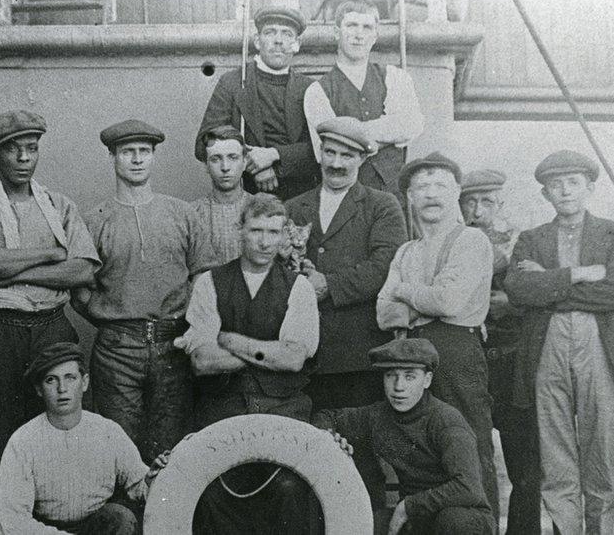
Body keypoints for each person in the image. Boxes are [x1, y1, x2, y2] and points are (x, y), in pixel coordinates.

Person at [0, 109, 101, 532]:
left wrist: (10, 270)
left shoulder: (58, 204)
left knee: (60, 432)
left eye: (32, 149)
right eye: (14, 149)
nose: (24, 158)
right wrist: (50, 254)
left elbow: (83, 271)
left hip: (53, 326)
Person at [504, 150, 614, 535]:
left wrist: (549, 282)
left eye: (573, 183)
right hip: (547, 350)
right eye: (555, 185)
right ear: (545, 193)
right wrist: (579, 274)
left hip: (600, 349)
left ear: (590, 188)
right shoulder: (531, 239)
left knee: (600, 456)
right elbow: (517, 289)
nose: (564, 191)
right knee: (556, 459)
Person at [174, 193, 322, 533]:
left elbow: (294, 358)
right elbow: (201, 361)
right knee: (212, 493)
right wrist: (268, 354)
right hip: (222, 412)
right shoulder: (209, 283)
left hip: (283, 411)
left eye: (274, 232)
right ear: (240, 229)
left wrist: (230, 340)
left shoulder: (298, 288)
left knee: (289, 488)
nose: (265, 241)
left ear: (285, 234)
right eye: (256, 230)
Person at [74, 119, 215, 463]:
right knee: (119, 450)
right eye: (127, 152)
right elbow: (79, 290)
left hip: (175, 347)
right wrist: (114, 319)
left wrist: (187, 323)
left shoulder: (182, 213)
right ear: (112, 157)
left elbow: (203, 276)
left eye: (144, 152)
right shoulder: (94, 221)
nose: (137, 159)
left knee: (173, 450)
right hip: (117, 351)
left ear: (153, 157)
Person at [376, 154, 499, 522]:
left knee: (469, 450)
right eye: (422, 187)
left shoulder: (471, 240)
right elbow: (383, 313)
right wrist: (425, 301)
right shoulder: (406, 250)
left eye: (441, 186)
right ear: (410, 197)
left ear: (457, 193)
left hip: (457, 355)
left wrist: (406, 293)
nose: (431, 195)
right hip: (413, 359)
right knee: (423, 449)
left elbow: (449, 301)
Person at [285, 116, 407, 411]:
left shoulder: (382, 205)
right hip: (303, 351)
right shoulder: (292, 206)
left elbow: (385, 266)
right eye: (330, 152)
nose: (336, 163)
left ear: (363, 159)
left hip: (358, 353)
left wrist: (327, 284)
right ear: (320, 153)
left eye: (347, 155)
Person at [313, 338, 496, 535]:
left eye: (410, 377)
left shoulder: (446, 420)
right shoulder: (378, 415)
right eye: (391, 375)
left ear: (427, 380)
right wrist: (329, 437)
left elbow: (467, 487)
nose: (399, 387)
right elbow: (326, 416)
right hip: (417, 518)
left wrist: (407, 506)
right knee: (362, 524)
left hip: (463, 518)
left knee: (453, 521)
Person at [0, 342, 168, 535]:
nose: (62, 389)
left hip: (97, 526)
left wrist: (154, 479)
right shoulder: (23, 442)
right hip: (44, 530)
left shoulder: (108, 431)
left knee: (120, 518)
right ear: (38, 389)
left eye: (70, 378)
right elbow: (12, 520)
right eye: (51, 380)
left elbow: (138, 484)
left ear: (84, 382)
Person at [459, 169, 541, 534]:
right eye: (470, 202)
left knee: (525, 466)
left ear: (501, 204)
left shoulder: (520, 243)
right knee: (475, 461)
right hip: (469, 360)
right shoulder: (454, 241)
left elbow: (536, 295)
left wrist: (513, 301)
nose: (478, 210)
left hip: (512, 363)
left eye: (486, 201)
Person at [303, 0, 424, 199]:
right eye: (351, 25)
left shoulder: (394, 76)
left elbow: (411, 125)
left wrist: (350, 134)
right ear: (336, 32)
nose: (359, 35)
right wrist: (388, 132)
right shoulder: (317, 91)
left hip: (393, 198)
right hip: (344, 198)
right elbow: (326, 151)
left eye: (367, 27)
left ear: (375, 36)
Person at [195, 5, 319, 201]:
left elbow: (322, 148)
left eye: (287, 34)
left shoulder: (311, 89)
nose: (278, 40)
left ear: (297, 43)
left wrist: (274, 156)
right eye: (270, 32)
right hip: (246, 195)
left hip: (302, 198)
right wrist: (252, 164)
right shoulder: (232, 83)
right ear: (257, 41)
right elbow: (204, 143)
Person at [191, 125, 253, 265]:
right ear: (206, 166)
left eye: (233, 157)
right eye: (216, 159)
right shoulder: (192, 214)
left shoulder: (262, 209)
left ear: (244, 162)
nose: (225, 167)